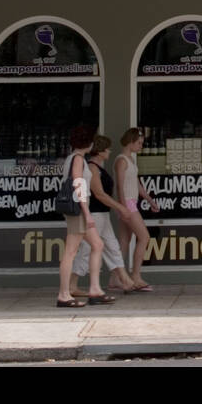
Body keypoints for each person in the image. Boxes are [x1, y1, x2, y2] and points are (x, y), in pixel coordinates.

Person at [72, 135, 133, 296]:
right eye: (107, 149)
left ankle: (124, 278)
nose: (110, 151)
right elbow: (99, 194)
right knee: (86, 249)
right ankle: (72, 283)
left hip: (103, 215)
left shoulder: (98, 168)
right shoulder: (92, 168)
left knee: (112, 246)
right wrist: (120, 207)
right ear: (100, 152)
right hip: (94, 214)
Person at [57, 132, 111, 307]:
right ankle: (64, 294)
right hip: (79, 210)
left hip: (79, 209)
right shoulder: (78, 159)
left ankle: (95, 290)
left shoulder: (72, 158)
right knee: (71, 252)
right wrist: (87, 213)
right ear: (87, 143)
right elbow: (78, 184)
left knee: (97, 245)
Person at [115, 128, 158, 292]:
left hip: (130, 203)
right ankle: (136, 276)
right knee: (144, 237)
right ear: (130, 142)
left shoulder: (130, 160)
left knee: (124, 242)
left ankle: (116, 278)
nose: (141, 146)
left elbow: (137, 185)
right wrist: (123, 206)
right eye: (139, 143)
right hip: (127, 204)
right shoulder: (122, 161)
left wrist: (149, 199)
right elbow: (119, 185)